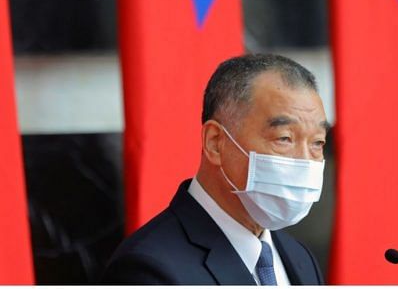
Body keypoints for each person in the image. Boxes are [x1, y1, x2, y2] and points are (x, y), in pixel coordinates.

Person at [102, 54, 329, 285]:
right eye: (284, 138)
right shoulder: (148, 269)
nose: (305, 161)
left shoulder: (299, 257)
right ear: (215, 142)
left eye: (317, 143)